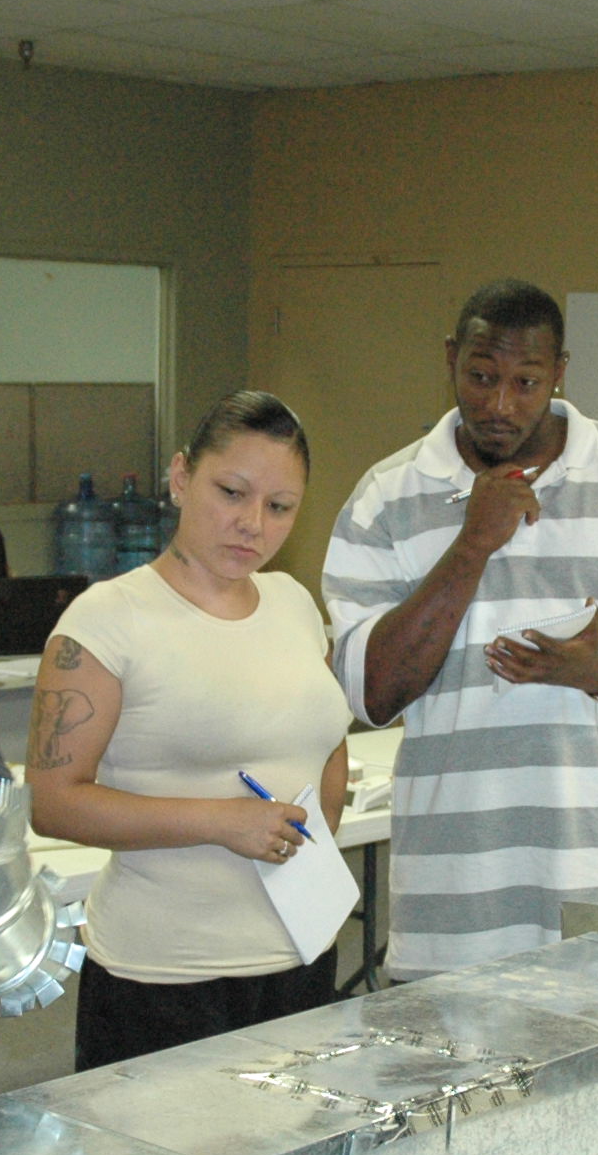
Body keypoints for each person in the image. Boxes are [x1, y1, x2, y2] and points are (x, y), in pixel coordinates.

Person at [319, 279, 598, 976]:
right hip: (450, 904)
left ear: (559, 373)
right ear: (450, 359)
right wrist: (472, 542)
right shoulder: (385, 497)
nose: (500, 405)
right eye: (480, 377)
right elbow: (371, 694)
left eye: (526, 382)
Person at [28, 392, 354, 1070]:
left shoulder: (293, 604)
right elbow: (54, 801)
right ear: (180, 478)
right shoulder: (107, 620)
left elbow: (325, 737)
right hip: (166, 974)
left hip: (300, 950)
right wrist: (221, 822)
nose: (251, 524)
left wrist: (319, 830)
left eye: (279, 507)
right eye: (231, 492)